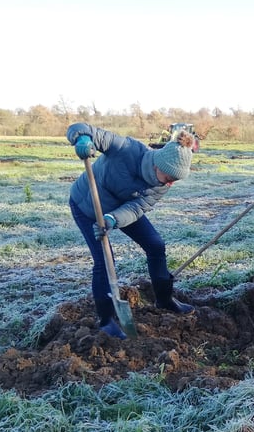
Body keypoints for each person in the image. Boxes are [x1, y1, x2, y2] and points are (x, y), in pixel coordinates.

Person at [67, 123, 196, 340]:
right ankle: (106, 320)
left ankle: (164, 299)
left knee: (155, 245)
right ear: (157, 165)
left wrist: (113, 219)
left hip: (119, 208)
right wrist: (82, 138)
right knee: (104, 260)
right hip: (87, 205)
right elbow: (84, 129)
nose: (171, 183)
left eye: (175, 180)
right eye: (169, 177)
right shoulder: (127, 149)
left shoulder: (161, 186)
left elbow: (137, 208)